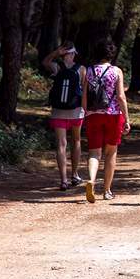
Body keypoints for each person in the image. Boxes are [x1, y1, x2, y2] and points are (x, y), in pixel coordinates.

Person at [83, 40, 130, 203]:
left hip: (93, 115)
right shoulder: (116, 71)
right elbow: (121, 96)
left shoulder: (88, 71)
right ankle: (107, 190)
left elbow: (84, 96)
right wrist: (127, 119)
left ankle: (91, 180)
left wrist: (86, 112)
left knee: (94, 152)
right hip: (113, 115)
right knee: (111, 153)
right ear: (112, 54)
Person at [43, 42, 86, 191]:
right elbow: (85, 91)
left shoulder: (57, 67)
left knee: (61, 144)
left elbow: (45, 62)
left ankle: (63, 180)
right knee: (76, 141)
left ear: (63, 54)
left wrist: (55, 53)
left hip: (58, 111)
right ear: (74, 54)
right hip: (76, 111)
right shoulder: (81, 69)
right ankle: (75, 174)